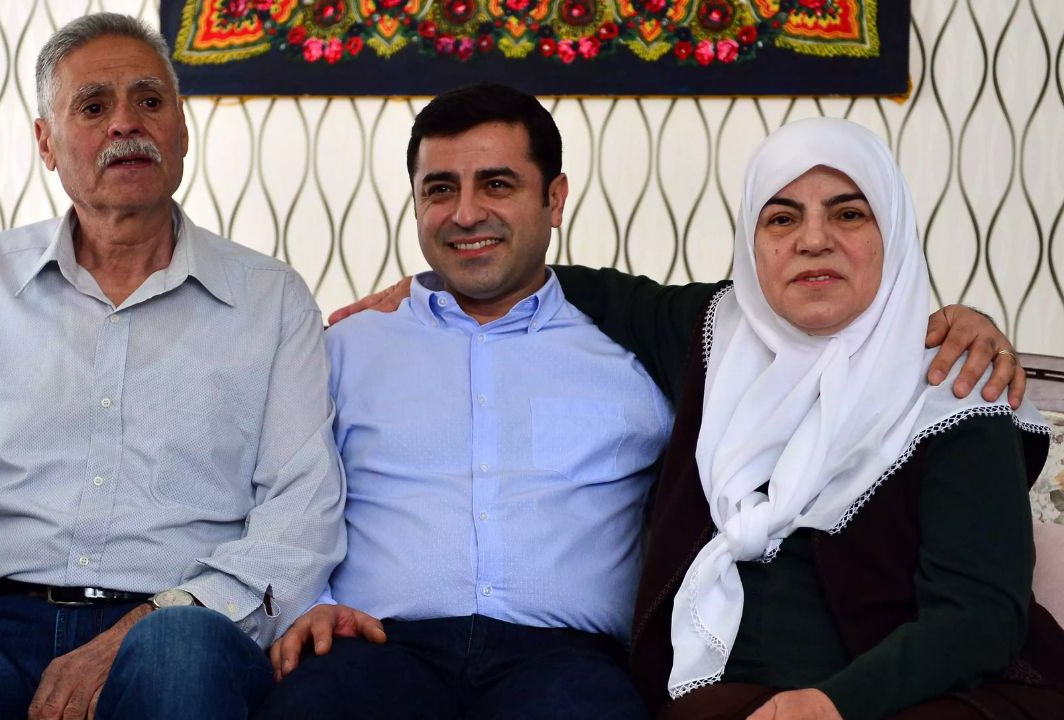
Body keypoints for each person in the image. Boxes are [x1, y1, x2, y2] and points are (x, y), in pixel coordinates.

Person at [257, 84, 1024, 720]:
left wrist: (958, 322)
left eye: (497, 185)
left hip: (569, 664)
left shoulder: (944, 385)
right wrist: (308, 601)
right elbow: (286, 492)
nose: (465, 213)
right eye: (440, 191)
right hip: (382, 647)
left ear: (555, 199)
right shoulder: (346, 347)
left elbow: (979, 614)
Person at [0, 13, 344, 720]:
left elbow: (299, 517)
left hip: (172, 628)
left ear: (182, 131)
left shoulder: (272, 301)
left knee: (181, 650)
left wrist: (146, 625)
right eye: (93, 106)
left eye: (149, 100)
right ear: (46, 143)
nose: (125, 124)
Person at [553, 117, 1064, 719]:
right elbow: (546, 282)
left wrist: (828, 704)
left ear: (893, 233)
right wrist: (444, 279)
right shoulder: (713, 334)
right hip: (728, 695)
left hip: (923, 692)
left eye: (848, 214)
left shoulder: (956, 386)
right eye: (781, 218)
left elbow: (979, 619)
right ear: (752, 243)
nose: (813, 240)